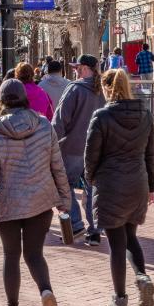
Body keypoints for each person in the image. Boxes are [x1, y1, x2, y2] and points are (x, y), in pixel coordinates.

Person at [0, 78, 70, 306]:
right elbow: (57, 166)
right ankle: (46, 292)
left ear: (0, 100)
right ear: (24, 97)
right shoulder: (44, 125)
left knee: (11, 256)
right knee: (35, 254)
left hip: (8, 202)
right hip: (40, 200)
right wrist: (65, 199)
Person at [84, 68, 154, 306]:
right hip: (137, 182)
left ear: (106, 88)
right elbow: (150, 154)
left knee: (116, 244)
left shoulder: (101, 117)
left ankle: (120, 299)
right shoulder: (145, 115)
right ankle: (142, 276)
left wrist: (90, 179)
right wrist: (152, 186)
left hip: (110, 184)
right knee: (131, 237)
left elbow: (91, 155)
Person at [52, 54, 106, 245]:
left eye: (77, 68)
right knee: (92, 190)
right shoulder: (101, 91)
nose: (75, 71)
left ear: (83, 69)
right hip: (95, 149)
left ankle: (75, 224)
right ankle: (95, 230)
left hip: (73, 148)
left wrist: (51, 142)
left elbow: (60, 120)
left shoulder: (74, 89)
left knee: (63, 186)